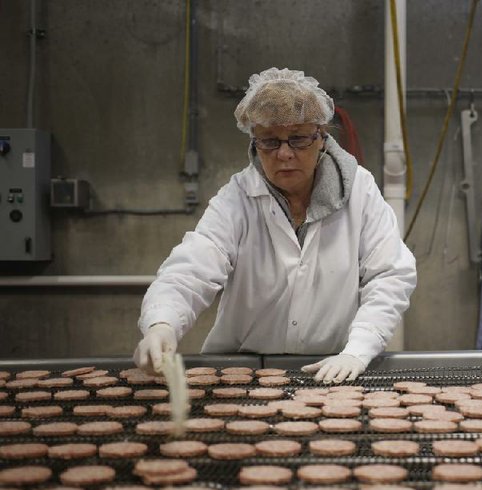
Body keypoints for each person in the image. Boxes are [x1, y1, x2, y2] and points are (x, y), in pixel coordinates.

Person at [133, 67, 417, 383]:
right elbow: (192, 268)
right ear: (254, 141)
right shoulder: (238, 198)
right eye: (269, 141)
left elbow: (390, 274)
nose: (284, 154)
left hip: (329, 370)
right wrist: (162, 323)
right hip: (240, 373)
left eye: (297, 139)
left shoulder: (359, 192)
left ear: (321, 137)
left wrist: (358, 349)